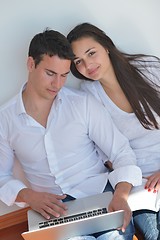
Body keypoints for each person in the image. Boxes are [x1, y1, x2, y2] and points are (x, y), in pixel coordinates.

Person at [0, 28, 142, 240]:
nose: (57, 84)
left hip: (100, 196)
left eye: (64, 75)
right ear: (31, 64)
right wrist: (30, 196)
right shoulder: (6, 119)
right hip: (53, 211)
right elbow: (1, 176)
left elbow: (121, 152)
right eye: (50, 73)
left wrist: (121, 195)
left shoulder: (82, 104)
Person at [67, 22, 160, 240]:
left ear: (106, 47)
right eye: (78, 61)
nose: (87, 65)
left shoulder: (149, 68)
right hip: (140, 185)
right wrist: (129, 178)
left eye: (91, 53)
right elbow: (105, 152)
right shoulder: (89, 95)